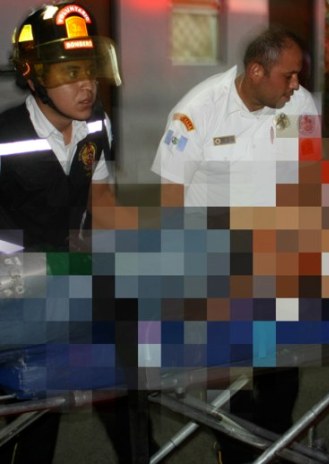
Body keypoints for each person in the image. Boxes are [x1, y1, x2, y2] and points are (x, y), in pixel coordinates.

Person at [151, 27, 319, 463]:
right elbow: (171, 200)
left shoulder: (299, 105)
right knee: (223, 373)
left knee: (280, 364)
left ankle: (273, 446)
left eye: (298, 75)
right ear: (256, 71)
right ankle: (235, 450)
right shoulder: (197, 112)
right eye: (288, 76)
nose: (296, 84)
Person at [0, 2, 143, 462]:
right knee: (32, 415)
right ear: (34, 76)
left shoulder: (96, 123)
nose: (87, 85)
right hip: (14, 293)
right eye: (70, 72)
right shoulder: (4, 137)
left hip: (70, 280)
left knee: (123, 393)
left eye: (90, 69)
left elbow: (102, 201)